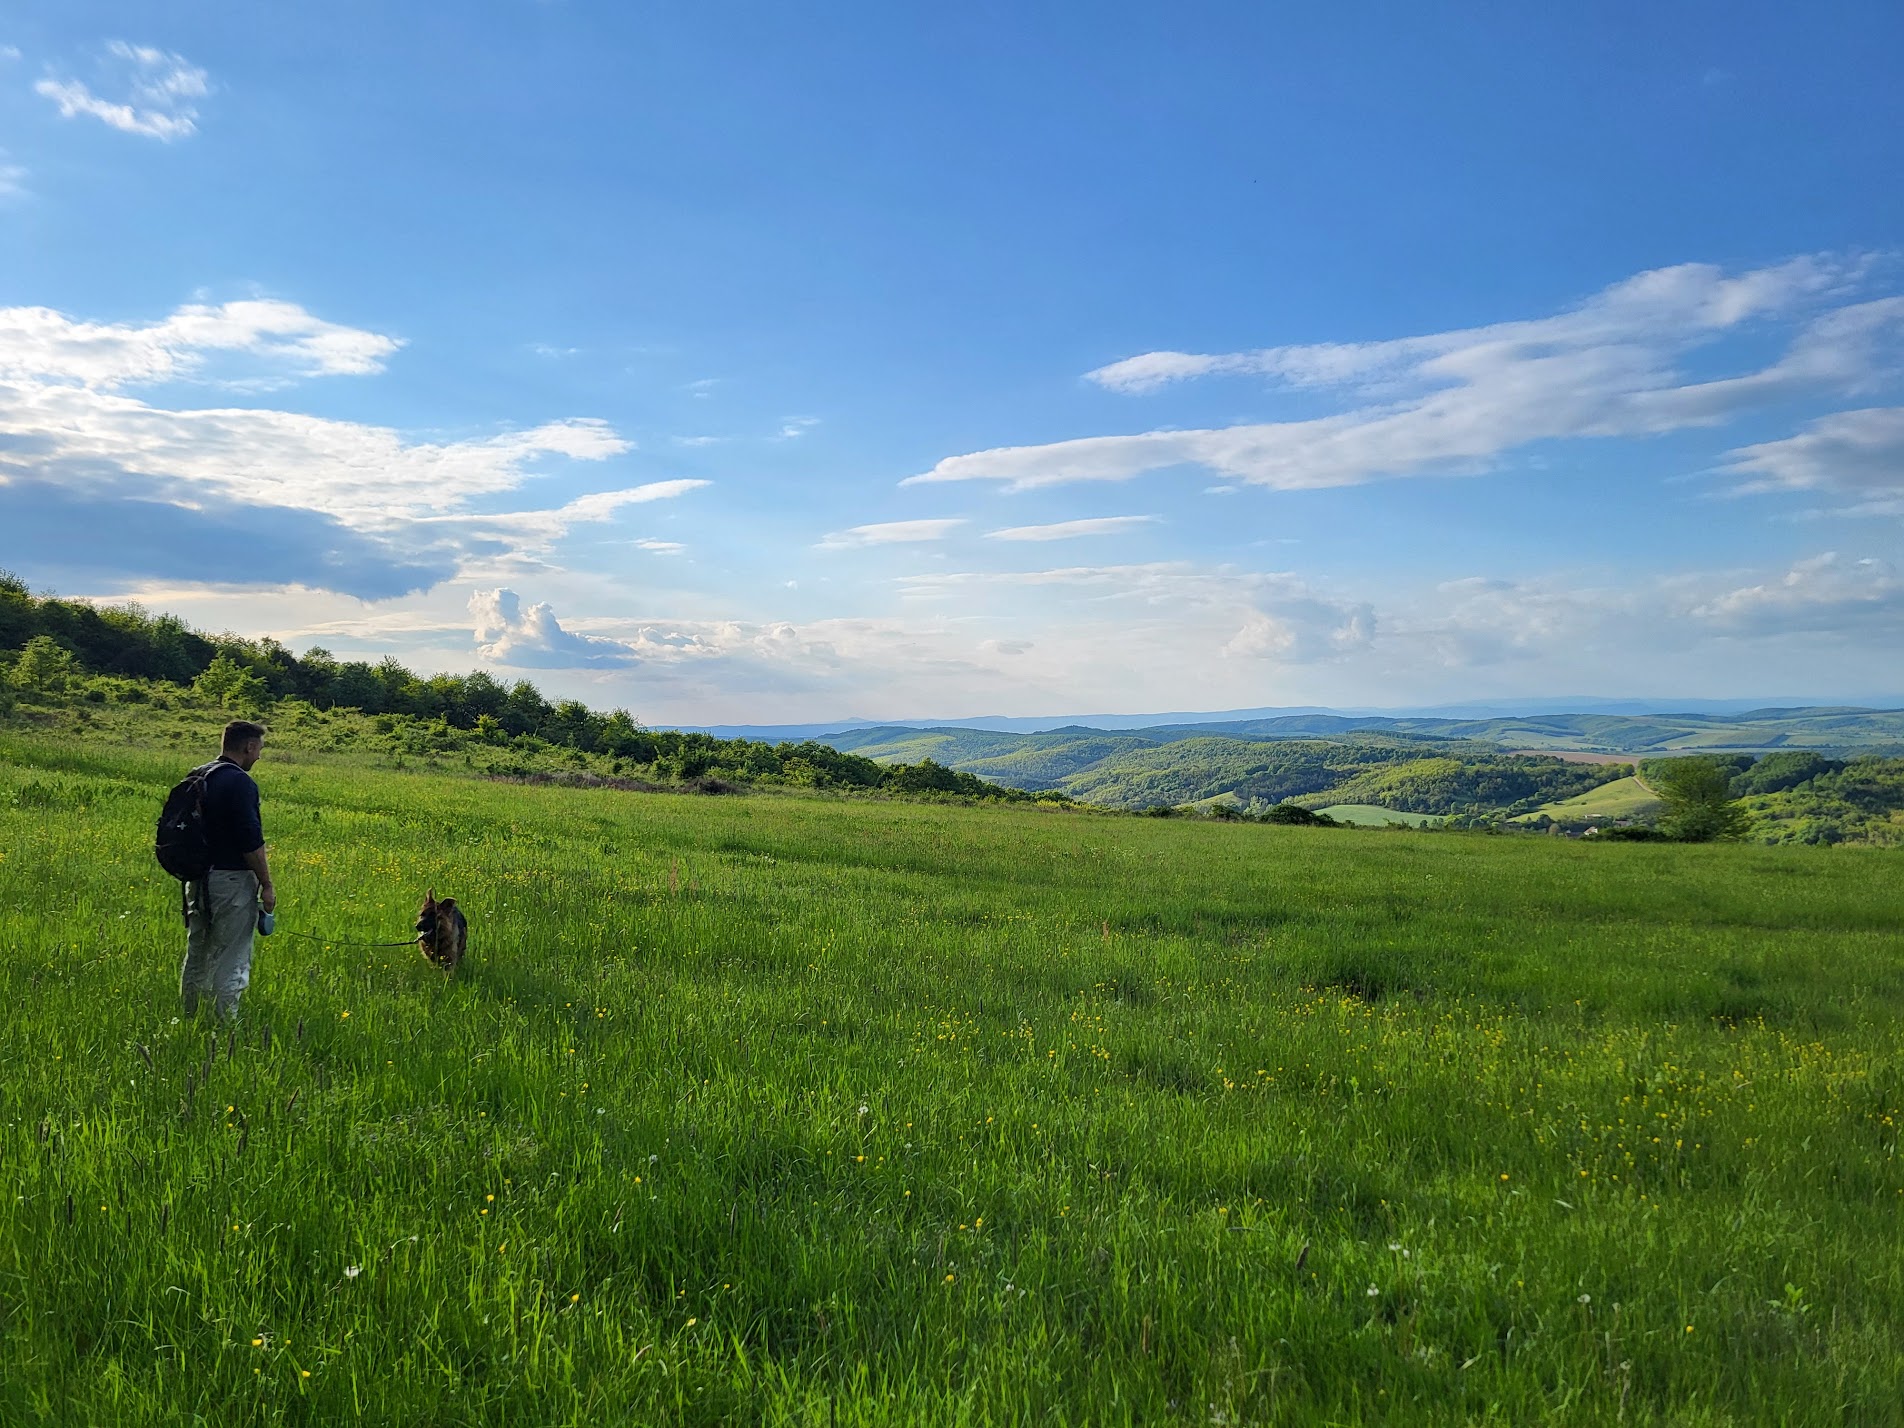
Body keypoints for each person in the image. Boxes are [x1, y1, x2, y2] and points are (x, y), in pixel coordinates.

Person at [180, 720, 276, 1020]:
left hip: (196, 879)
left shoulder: (198, 775)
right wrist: (266, 883)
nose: (259, 756)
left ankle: (191, 1016)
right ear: (248, 746)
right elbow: (251, 841)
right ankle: (225, 1026)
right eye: (259, 749)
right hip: (232, 880)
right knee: (232, 956)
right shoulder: (240, 783)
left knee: (198, 950)